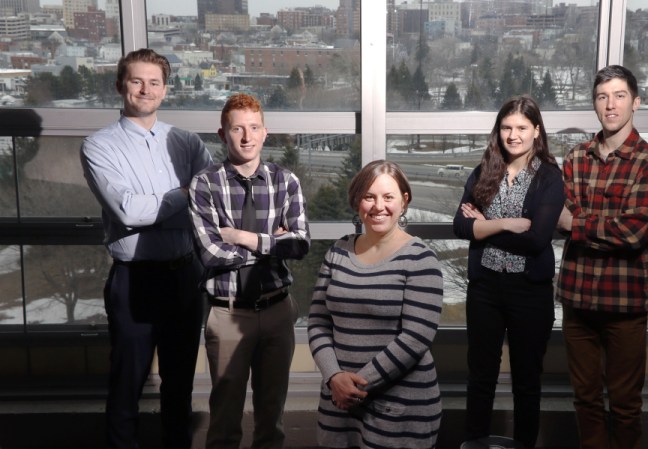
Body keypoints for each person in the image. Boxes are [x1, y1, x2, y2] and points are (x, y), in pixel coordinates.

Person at [80, 48, 213, 448]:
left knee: (179, 386)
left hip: (185, 277)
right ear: (121, 85)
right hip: (134, 280)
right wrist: (184, 197)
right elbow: (128, 210)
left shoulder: (186, 142)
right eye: (136, 81)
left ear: (165, 89)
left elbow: (208, 201)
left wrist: (170, 202)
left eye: (154, 82)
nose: (145, 89)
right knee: (127, 386)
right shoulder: (98, 145)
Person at [189, 93, 310, 449]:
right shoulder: (205, 184)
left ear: (265, 132)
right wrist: (271, 245)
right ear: (222, 134)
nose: (246, 136)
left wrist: (243, 238)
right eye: (237, 128)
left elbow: (300, 244)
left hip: (276, 310)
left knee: (271, 418)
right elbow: (210, 253)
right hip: (226, 313)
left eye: (254, 127)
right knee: (224, 419)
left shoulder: (285, 181)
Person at [556, 65, 648, 449]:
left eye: (619, 95)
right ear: (595, 104)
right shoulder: (575, 158)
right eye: (603, 97)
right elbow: (560, 219)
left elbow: (634, 231)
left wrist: (579, 223)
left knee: (624, 405)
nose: (611, 104)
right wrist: (593, 224)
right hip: (578, 300)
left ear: (635, 102)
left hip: (624, 304)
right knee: (585, 401)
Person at [307, 160, 444, 449]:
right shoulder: (338, 251)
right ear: (357, 201)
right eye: (369, 196)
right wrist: (333, 376)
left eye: (388, 197)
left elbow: (416, 338)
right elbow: (318, 322)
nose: (378, 206)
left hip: (399, 406)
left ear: (404, 201)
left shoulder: (421, 259)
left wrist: (355, 385)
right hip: (338, 403)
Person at [453, 95, 564, 448]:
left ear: (536, 131)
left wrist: (486, 226)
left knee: (526, 382)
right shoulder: (484, 170)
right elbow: (460, 226)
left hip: (529, 292)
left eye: (520, 128)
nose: (512, 135)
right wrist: (507, 223)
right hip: (485, 289)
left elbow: (537, 239)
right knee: (480, 378)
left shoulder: (549, 177)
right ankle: (474, 443)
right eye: (506, 128)